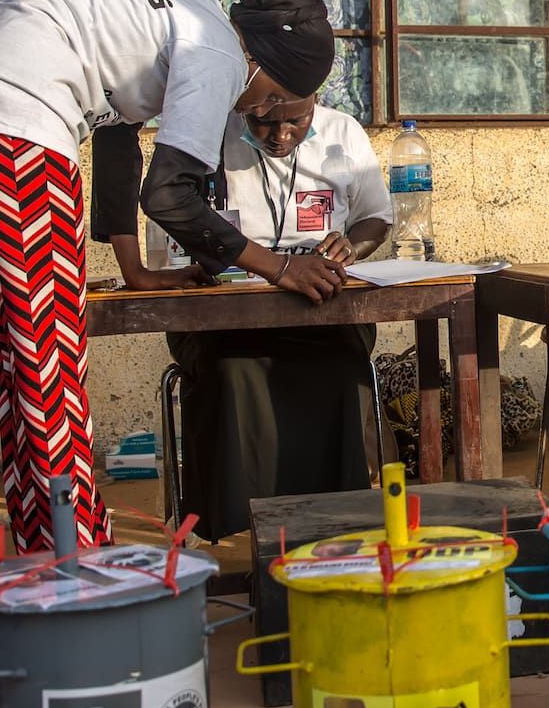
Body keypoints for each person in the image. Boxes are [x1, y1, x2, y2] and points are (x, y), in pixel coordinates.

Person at [0, 0, 340, 553]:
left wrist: (134, 270)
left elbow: (115, 140)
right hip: (16, 120)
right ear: (265, 74)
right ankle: (82, 563)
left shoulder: (190, 4)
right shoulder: (220, 58)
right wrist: (280, 268)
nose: (258, 113)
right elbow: (171, 196)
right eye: (273, 100)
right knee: (49, 362)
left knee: (16, 356)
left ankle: (47, 551)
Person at [107, 83, 392, 540]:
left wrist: (351, 245)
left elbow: (377, 216)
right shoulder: (204, 136)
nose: (280, 135)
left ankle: (337, 521)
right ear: (244, 106)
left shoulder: (345, 133)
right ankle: (244, 524)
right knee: (232, 369)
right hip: (221, 319)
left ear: (314, 101)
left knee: (340, 365)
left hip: (318, 313)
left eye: (295, 122)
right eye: (264, 122)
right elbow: (162, 209)